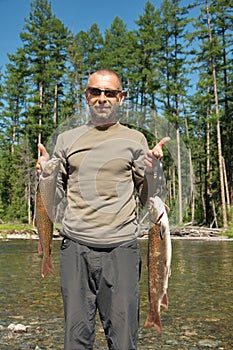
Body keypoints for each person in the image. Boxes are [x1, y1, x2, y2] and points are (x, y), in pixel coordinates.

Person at [36, 69, 165, 350]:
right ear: (87, 96)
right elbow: (54, 197)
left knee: (122, 341)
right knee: (76, 340)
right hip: (75, 249)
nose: (102, 98)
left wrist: (154, 173)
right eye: (95, 92)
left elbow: (147, 196)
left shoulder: (136, 139)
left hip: (122, 250)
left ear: (121, 98)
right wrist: (45, 175)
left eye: (109, 93)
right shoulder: (66, 140)